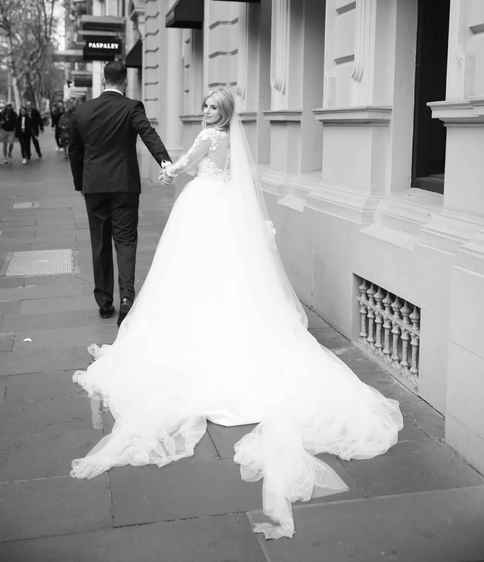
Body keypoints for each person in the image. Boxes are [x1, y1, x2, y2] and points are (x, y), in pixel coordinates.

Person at [71, 86, 403, 540]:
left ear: (222, 114)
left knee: (189, 270)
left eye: (212, 106)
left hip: (201, 205)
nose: (206, 110)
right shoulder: (231, 142)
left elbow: (184, 166)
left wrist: (169, 173)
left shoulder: (209, 136)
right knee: (229, 271)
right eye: (206, 105)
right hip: (223, 207)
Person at [68, 61, 171, 324]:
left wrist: (81, 183)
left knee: (99, 243)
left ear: (104, 80)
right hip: (124, 185)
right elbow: (149, 134)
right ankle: (126, 298)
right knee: (125, 241)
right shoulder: (131, 107)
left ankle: (104, 302)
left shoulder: (83, 110)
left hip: (95, 186)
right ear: (124, 81)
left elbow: (75, 151)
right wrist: (165, 162)